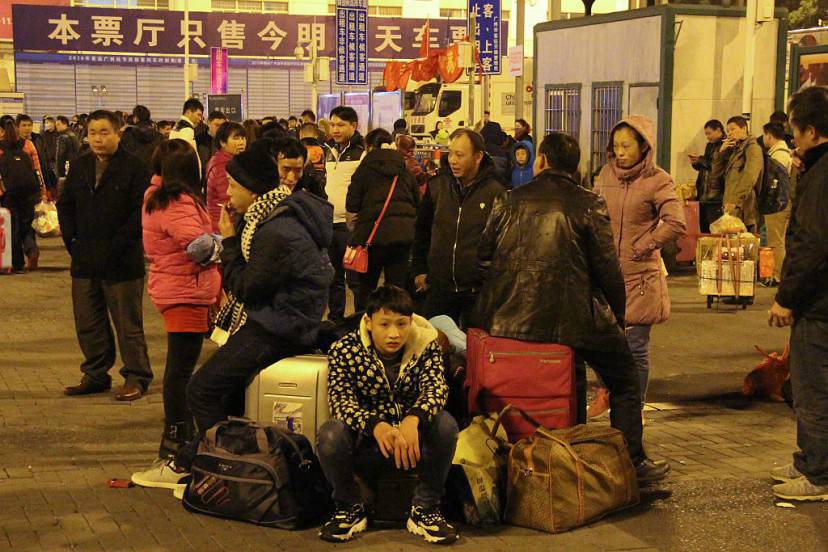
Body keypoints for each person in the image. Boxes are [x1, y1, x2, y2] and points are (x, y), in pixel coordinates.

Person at [472, 131, 670, 482]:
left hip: (509, 318)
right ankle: (632, 462)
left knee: (575, 371)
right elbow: (607, 269)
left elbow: (483, 260)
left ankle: (565, 449)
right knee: (624, 379)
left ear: (541, 161)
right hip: (574, 318)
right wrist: (618, 315)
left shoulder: (508, 200)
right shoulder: (588, 203)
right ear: (574, 167)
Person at [185, 140, 334, 434]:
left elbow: (247, 288)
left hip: (281, 327)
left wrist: (228, 241)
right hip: (286, 318)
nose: (227, 193)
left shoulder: (276, 231)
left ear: (252, 190)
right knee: (229, 392)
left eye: (232, 185)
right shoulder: (271, 217)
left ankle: (226, 455)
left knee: (201, 391)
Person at [318, 285, 459, 544]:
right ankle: (349, 506)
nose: (394, 334)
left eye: (401, 324)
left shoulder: (426, 346)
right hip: (367, 440)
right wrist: (376, 425)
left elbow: (436, 388)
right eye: (384, 324)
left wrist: (413, 418)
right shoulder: (344, 349)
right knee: (330, 434)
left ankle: (425, 508)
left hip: (412, 441)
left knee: (446, 425)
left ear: (411, 322)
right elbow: (340, 401)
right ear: (368, 322)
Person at [130, 140, 221, 492]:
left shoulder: (159, 196)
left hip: (181, 288)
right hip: (185, 290)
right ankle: (175, 445)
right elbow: (199, 246)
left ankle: (178, 440)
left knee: (180, 368)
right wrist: (226, 242)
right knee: (180, 370)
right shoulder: (175, 200)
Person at [591, 116, 685, 417]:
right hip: (607, 275)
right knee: (603, 343)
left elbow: (675, 221)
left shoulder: (658, 180)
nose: (620, 152)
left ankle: (634, 408)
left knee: (635, 346)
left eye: (626, 146)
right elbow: (593, 214)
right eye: (616, 145)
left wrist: (644, 245)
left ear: (644, 146)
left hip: (640, 276)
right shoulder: (605, 174)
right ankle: (605, 394)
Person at [56, 110, 153, 401]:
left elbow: (140, 213)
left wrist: (116, 246)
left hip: (121, 261)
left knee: (127, 325)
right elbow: (65, 204)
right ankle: (95, 375)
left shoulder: (135, 167)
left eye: (104, 132)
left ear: (118, 133)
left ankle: (136, 376)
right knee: (88, 323)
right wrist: (72, 241)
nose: (97, 139)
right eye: (92, 133)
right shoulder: (81, 165)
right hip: (84, 259)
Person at [767, 86, 828, 502]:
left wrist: (786, 297)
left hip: (818, 305)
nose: (792, 138)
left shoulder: (821, 176)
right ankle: (810, 459)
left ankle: (818, 472)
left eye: (795, 130)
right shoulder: (816, 169)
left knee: (813, 389)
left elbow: (811, 244)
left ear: (811, 131)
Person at [413, 128, 506, 327]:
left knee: (474, 342)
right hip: (439, 286)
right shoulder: (437, 186)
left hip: (477, 291)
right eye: (451, 154)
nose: (453, 160)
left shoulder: (497, 192)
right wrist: (420, 269)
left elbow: (503, 243)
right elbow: (422, 229)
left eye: (460, 155)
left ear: (478, 157)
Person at [346, 129, 420, 310]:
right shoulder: (404, 169)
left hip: (372, 239)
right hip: (402, 238)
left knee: (367, 289)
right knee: (396, 289)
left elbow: (352, 205)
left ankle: (365, 321)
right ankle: (396, 321)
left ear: (369, 147)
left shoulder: (364, 170)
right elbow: (417, 202)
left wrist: (357, 229)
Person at [324, 106, 365, 323]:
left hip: (351, 226)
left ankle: (360, 321)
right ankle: (336, 320)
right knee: (334, 277)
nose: (335, 129)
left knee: (356, 278)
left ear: (354, 126)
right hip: (330, 223)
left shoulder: (362, 152)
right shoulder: (328, 150)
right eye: (332, 124)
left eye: (340, 125)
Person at [0, 117, 45, 272]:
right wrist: (42, 191)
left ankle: (17, 263)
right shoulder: (28, 145)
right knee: (28, 225)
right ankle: (32, 250)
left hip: (9, 193)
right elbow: (37, 170)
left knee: (13, 227)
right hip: (29, 191)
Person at [711, 115, 763, 231]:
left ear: (744, 129)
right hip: (731, 207)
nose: (729, 133)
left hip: (744, 209)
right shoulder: (734, 151)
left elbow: (750, 177)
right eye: (728, 130)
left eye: (733, 129)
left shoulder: (752, 148)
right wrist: (721, 153)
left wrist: (736, 201)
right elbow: (715, 172)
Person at [761, 122, 793, 287]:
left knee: (776, 241)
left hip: (777, 203)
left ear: (769, 135)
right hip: (783, 202)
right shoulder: (783, 152)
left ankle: (778, 275)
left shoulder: (778, 155)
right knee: (779, 239)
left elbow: (774, 183)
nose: (763, 138)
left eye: (764, 135)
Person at [206, 121, 247, 232]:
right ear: (223, 142)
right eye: (236, 138)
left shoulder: (221, 159)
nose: (241, 142)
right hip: (224, 225)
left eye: (243, 138)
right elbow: (228, 199)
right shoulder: (223, 165)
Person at [690, 119, 726, 233]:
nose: (707, 137)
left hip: (716, 197)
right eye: (706, 134)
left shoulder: (726, 145)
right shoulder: (710, 146)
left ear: (718, 130)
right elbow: (706, 166)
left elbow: (716, 166)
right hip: (704, 195)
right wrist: (696, 163)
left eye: (709, 133)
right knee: (704, 231)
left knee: (715, 231)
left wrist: (701, 160)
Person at [119, 105, 163, 170]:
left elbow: (122, 155)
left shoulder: (127, 134)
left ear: (136, 118)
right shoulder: (159, 136)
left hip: (131, 170)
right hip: (151, 171)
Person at [55, 115, 80, 180]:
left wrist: (60, 173)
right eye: (56, 124)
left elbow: (60, 156)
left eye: (58, 124)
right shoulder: (73, 135)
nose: (56, 126)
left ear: (65, 124)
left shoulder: (62, 138)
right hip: (74, 168)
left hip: (65, 169)